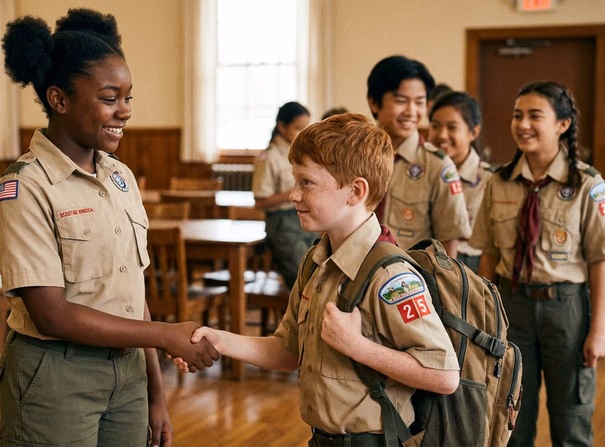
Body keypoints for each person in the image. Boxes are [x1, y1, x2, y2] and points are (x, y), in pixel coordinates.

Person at [0, 9, 219, 447]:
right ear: (59, 99)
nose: (125, 111)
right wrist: (168, 335)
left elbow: (134, 296)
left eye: (129, 97)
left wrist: (156, 393)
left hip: (129, 376)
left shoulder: (121, 178)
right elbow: (51, 314)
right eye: (110, 97)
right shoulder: (23, 188)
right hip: (55, 376)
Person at [181, 114, 459, 445]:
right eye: (295, 181)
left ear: (355, 191)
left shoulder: (389, 275)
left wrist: (357, 347)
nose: (293, 195)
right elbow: (288, 352)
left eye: (306, 183)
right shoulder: (316, 261)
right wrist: (222, 341)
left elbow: (444, 375)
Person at [471, 81, 605, 447]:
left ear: (562, 124)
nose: (523, 124)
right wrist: (485, 321)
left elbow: (599, 260)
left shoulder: (586, 184)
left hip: (567, 309)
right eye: (518, 116)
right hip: (512, 307)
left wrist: (599, 330)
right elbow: (488, 256)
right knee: (512, 414)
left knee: (572, 418)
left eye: (535, 115)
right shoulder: (498, 182)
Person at [366, 55, 470, 256]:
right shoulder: (354, 157)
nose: (411, 111)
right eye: (401, 101)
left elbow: (448, 244)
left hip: (410, 281)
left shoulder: (438, 165)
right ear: (374, 103)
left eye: (419, 102)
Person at [252, 101, 316, 288]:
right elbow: (260, 202)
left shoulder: (300, 154)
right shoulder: (269, 157)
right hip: (281, 224)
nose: (303, 133)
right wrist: (294, 192)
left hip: (304, 220)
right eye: (298, 128)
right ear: (281, 126)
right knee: (302, 279)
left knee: (318, 270)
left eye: (306, 128)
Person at [428, 91, 493, 272]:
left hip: (470, 271)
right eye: (435, 126)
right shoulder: (419, 175)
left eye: (452, 127)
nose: (442, 135)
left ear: (473, 132)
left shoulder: (490, 180)